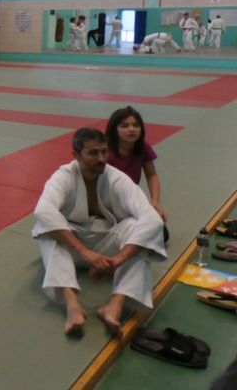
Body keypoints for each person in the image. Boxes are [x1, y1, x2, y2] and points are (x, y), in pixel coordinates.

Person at [32, 128, 166, 336]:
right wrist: (85, 253)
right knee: (47, 229)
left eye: (104, 151)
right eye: (93, 153)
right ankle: (72, 304)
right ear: (77, 155)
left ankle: (115, 304)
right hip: (75, 244)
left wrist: (118, 260)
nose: (102, 158)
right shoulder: (63, 176)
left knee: (138, 228)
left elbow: (152, 219)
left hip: (108, 244)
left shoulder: (116, 178)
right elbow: (43, 210)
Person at [105, 107, 168, 242]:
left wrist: (155, 202)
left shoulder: (143, 147)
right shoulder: (104, 151)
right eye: (125, 126)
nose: (132, 129)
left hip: (130, 199)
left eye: (136, 125)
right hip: (106, 202)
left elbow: (152, 176)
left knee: (161, 233)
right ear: (114, 129)